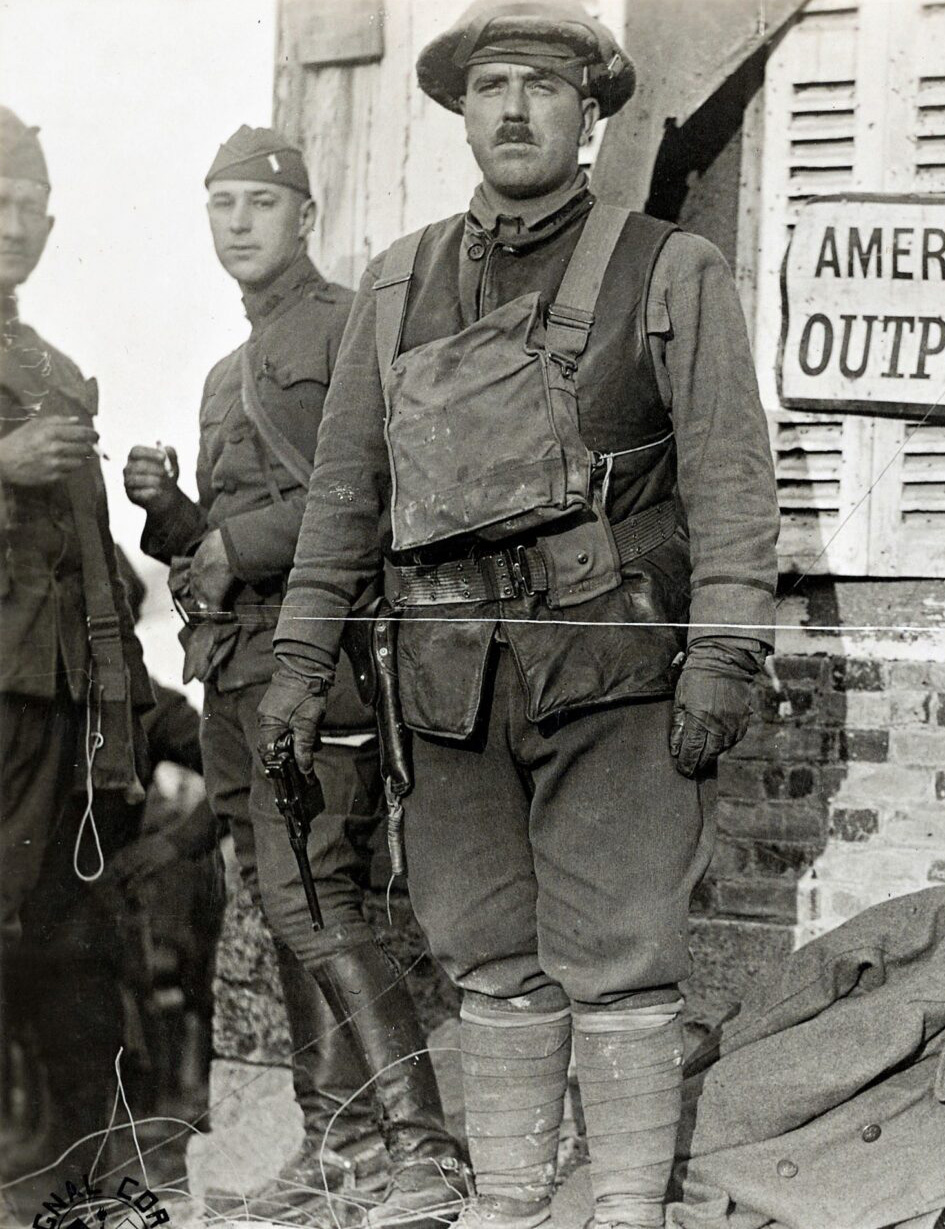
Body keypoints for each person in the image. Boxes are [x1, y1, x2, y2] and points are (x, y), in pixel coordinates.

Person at [257, 3, 781, 1226]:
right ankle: (504, 1200)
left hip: (613, 666)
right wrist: (295, 664)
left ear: (589, 113)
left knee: (619, 957)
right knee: (486, 951)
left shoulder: (669, 269)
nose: (512, 108)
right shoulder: (396, 284)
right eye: (490, 85)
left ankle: (625, 1208)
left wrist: (725, 652)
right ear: (460, 111)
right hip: (446, 681)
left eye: (542, 87)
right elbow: (343, 497)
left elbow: (728, 478)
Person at [123, 127, 464, 1229]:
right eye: (219, 202)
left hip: (316, 667)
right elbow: (216, 540)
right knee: (283, 909)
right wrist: (169, 512)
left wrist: (239, 545)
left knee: (316, 897)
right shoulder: (229, 369)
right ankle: (336, 1145)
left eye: (258, 205)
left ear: (304, 217)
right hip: (232, 669)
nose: (236, 222)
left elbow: (370, 492)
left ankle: (417, 1147)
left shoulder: (345, 324)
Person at [0, 104, 154, 1180]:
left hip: (55, 696)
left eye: (29, 206)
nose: (13, 223)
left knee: (67, 929)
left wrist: (121, 697)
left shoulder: (48, 361)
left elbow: (96, 558)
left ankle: (79, 1163)